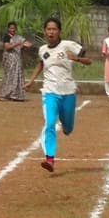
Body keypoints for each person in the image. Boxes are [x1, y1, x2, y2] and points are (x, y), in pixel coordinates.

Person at [25, 17, 92, 172]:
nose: (51, 32)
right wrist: (31, 81)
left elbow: (89, 61)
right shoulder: (42, 50)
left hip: (68, 92)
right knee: (49, 124)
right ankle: (50, 158)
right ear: (44, 31)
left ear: (59, 31)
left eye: (54, 29)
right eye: (48, 29)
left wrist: (77, 58)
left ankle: (66, 127)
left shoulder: (68, 45)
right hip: (50, 92)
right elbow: (41, 63)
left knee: (67, 127)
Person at [0, 21, 32, 101]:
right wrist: (17, 44)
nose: (12, 30)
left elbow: (28, 44)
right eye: (11, 28)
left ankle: (16, 95)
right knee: (10, 76)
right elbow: (7, 47)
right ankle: (5, 95)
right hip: (9, 59)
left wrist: (24, 45)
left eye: (14, 28)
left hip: (17, 59)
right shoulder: (6, 37)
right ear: (8, 29)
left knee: (17, 76)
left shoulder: (18, 37)